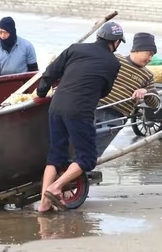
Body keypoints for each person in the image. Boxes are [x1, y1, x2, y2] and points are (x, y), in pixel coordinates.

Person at [35, 21, 123, 213]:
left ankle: (43, 205)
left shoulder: (75, 49)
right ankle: (56, 187)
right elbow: (104, 91)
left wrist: (40, 93)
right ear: (115, 43)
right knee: (87, 158)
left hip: (56, 106)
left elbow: (51, 72)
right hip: (80, 110)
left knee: (55, 156)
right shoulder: (113, 63)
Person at [96, 32, 161, 151]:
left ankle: (81, 169)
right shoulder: (115, 59)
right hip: (95, 108)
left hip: (116, 117)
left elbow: (155, 103)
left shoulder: (147, 75)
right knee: (78, 144)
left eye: (152, 55)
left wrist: (145, 92)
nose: (150, 59)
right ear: (136, 50)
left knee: (94, 151)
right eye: (148, 54)